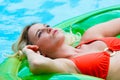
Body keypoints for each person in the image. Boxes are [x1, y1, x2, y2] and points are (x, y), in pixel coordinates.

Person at [12, 18, 120, 80]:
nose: (48, 29)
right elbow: (37, 64)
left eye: (46, 25)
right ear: (39, 51)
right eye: (40, 33)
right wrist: (28, 51)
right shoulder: (66, 64)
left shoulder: (91, 35)